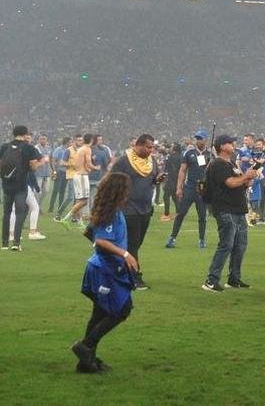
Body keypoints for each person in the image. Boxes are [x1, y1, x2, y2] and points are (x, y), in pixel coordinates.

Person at [73, 172, 137, 374]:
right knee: (122, 309)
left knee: (99, 313)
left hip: (102, 267)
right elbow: (100, 240)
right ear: (119, 191)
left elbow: (89, 232)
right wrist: (124, 253)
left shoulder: (106, 210)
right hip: (106, 270)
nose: (128, 193)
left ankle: (86, 362)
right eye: (126, 189)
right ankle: (85, 346)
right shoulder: (111, 214)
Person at [202, 135, 259, 292]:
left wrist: (247, 180)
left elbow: (239, 183)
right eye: (230, 142)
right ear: (222, 146)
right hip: (226, 209)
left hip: (238, 208)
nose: (233, 144)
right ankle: (211, 280)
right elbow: (230, 183)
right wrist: (246, 176)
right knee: (226, 245)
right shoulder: (218, 164)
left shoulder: (231, 163)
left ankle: (234, 278)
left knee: (240, 245)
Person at [109, 134, 165, 289]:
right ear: (139, 145)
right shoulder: (124, 161)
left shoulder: (151, 161)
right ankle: (134, 277)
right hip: (128, 208)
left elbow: (152, 179)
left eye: (152, 147)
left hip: (145, 208)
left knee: (137, 243)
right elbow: (112, 180)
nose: (151, 150)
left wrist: (157, 179)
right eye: (148, 147)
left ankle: (119, 270)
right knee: (132, 244)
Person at [0, 125, 44, 251]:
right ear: (25, 134)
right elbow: (33, 167)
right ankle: (16, 243)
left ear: (13, 133)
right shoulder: (28, 147)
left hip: (7, 184)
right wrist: (40, 163)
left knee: (7, 213)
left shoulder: (5, 146)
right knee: (20, 213)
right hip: (21, 185)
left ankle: (4, 243)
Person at [165, 130, 212, 249]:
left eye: (200, 138)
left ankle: (202, 239)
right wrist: (179, 188)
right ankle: (172, 238)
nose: (198, 140)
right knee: (181, 213)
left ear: (205, 140)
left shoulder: (210, 154)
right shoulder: (189, 153)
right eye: (197, 138)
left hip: (202, 188)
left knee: (202, 216)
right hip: (190, 187)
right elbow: (182, 170)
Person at [61, 134, 95, 226]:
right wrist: (95, 167)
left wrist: (87, 168)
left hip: (77, 175)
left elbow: (82, 164)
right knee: (81, 200)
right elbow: (88, 163)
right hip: (80, 176)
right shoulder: (85, 149)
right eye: (78, 140)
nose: (80, 142)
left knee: (79, 200)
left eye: (81, 140)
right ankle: (65, 218)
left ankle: (79, 221)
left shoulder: (80, 150)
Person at [160, 138, 184, 220]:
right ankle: (178, 213)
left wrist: (164, 178)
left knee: (166, 197)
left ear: (174, 148)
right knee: (174, 197)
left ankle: (166, 214)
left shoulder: (171, 157)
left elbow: (166, 169)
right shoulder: (181, 157)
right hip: (178, 180)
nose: (171, 147)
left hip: (170, 180)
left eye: (172, 146)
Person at [48, 137, 71, 216]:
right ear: (67, 142)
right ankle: (51, 208)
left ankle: (60, 208)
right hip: (59, 172)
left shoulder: (69, 150)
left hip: (66, 172)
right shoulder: (58, 149)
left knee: (62, 191)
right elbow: (53, 160)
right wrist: (54, 171)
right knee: (55, 190)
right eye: (70, 142)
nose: (71, 143)